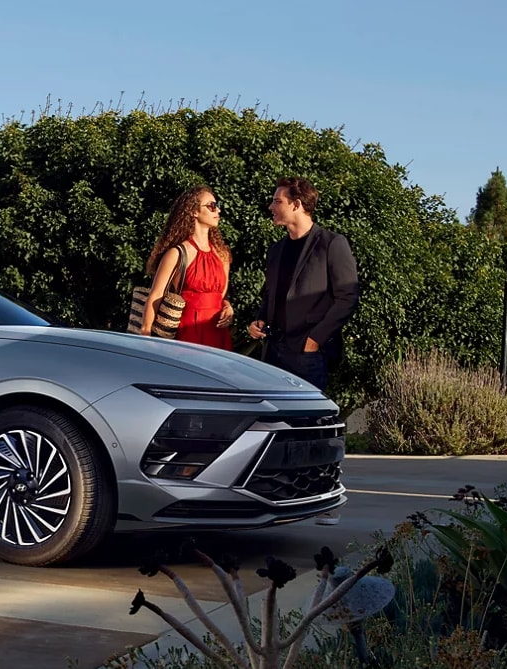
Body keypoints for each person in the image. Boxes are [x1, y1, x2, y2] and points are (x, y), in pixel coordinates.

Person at [247, 177, 359, 525]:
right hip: (274, 351)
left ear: (297, 204)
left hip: (309, 353)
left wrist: (316, 339)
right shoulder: (276, 250)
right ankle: (283, 498)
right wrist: (259, 321)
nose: (271, 206)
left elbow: (347, 297)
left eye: (277, 201)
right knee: (276, 429)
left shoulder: (332, 244)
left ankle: (328, 500)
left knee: (316, 430)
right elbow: (271, 296)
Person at [138, 186, 234, 349]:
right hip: (187, 331)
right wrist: (145, 334)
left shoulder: (222, 254)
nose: (217, 210)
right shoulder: (177, 253)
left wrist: (227, 306)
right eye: (211, 206)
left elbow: (220, 295)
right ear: (194, 211)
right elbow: (156, 295)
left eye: (217, 206)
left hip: (217, 331)